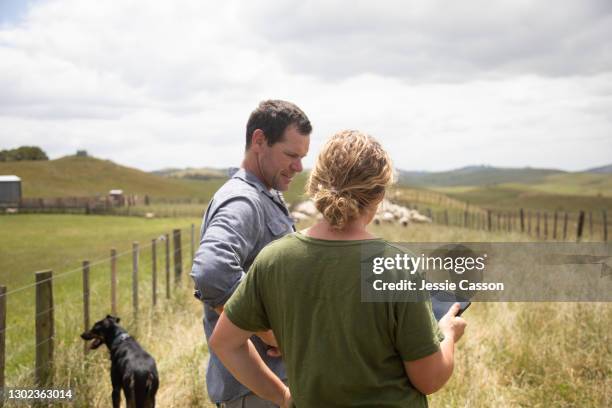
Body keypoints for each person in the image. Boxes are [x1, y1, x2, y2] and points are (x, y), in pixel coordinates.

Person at [209, 130, 468, 407]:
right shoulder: (398, 268)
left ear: (316, 183)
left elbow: (225, 343)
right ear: (379, 194)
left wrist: (282, 396)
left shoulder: (273, 260)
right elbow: (429, 379)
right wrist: (449, 334)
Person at [190, 100, 311, 407]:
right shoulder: (243, 201)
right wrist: (267, 330)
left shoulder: (265, 195)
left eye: (302, 158)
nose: (298, 167)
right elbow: (211, 272)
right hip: (257, 392)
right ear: (259, 141)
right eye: (291, 155)